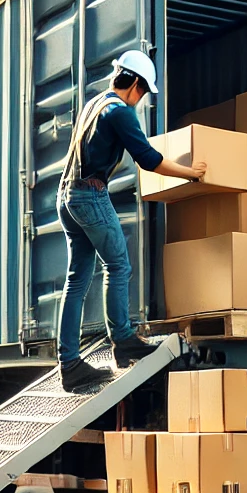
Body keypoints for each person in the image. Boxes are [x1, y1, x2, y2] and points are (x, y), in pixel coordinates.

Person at [57, 50, 207, 391]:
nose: (141, 101)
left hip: (66, 197)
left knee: (77, 280)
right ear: (136, 85)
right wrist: (191, 174)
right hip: (90, 196)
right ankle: (124, 341)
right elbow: (148, 159)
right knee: (119, 266)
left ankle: (69, 364)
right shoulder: (119, 111)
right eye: (144, 93)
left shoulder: (93, 104)